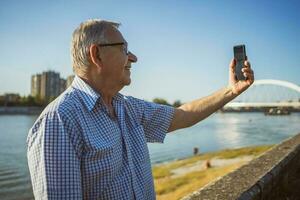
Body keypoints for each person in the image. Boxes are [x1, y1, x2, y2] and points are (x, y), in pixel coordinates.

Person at [27, 19, 254, 200]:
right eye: (124, 49)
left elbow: (181, 115)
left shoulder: (128, 107)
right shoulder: (58, 121)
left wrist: (231, 91)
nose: (133, 57)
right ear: (96, 55)